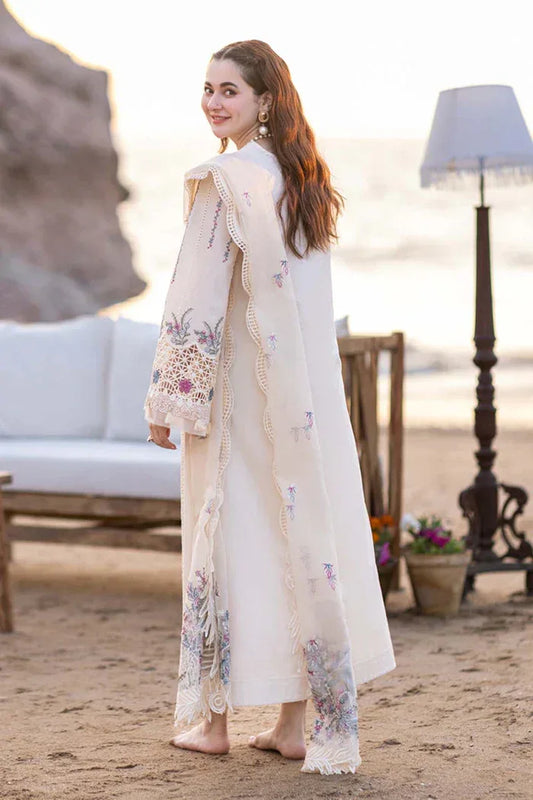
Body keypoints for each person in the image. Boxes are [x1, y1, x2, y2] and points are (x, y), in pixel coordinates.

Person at [144, 39, 396, 775]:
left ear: (264, 100)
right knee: (296, 545)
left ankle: (213, 723)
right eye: (208, 88)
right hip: (300, 407)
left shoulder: (223, 180)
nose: (213, 102)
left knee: (224, 539)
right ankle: (292, 723)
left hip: (234, 404)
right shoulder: (301, 181)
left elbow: (194, 299)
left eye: (229, 90)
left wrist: (170, 398)